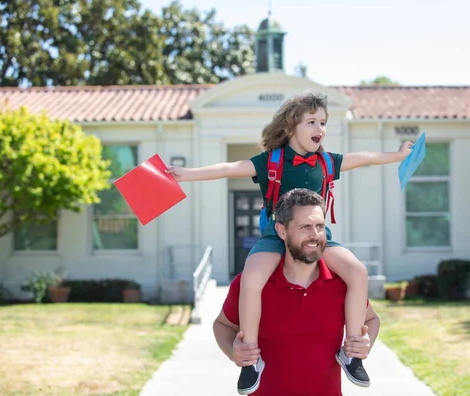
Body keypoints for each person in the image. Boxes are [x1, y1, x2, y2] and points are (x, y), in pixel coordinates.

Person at [167, 92, 412, 394]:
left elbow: (366, 158)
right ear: (290, 127)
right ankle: (251, 360)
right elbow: (229, 168)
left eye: (322, 122)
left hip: (319, 236)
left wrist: (398, 155)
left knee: (357, 271)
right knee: (253, 274)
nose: (319, 128)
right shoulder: (271, 161)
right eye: (311, 121)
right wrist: (185, 175)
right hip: (275, 233)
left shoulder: (326, 162)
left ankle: (350, 354)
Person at [213, 188, 381, 395]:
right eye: (305, 227)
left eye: (320, 226)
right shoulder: (251, 283)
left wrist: (364, 345)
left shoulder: (342, 284)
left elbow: (372, 320)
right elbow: (222, 325)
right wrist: (234, 352)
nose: (315, 235)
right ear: (282, 231)